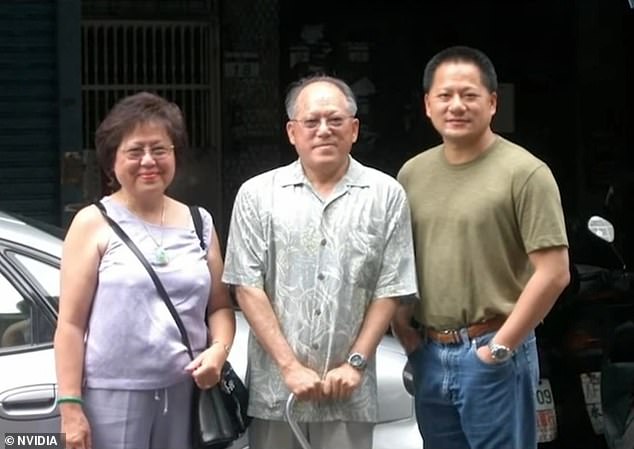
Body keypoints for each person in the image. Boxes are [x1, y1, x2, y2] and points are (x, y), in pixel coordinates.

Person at [222, 75, 418, 449]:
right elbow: (246, 287)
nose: (323, 130)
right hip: (277, 395)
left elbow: (391, 287)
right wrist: (289, 367)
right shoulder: (258, 195)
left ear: (355, 129)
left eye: (335, 120)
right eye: (311, 122)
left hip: (349, 393)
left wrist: (356, 363)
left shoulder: (385, 194)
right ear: (292, 132)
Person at [392, 45, 571, 449]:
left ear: (492, 103)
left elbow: (555, 272)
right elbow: (403, 258)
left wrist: (501, 347)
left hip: (493, 349)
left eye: (469, 95)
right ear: (427, 105)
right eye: (445, 95)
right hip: (430, 352)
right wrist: (402, 327)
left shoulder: (525, 173)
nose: (456, 105)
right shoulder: (411, 174)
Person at [53, 92, 235, 449]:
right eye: (135, 151)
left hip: (185, 393)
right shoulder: (93, 222)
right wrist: (71, 406)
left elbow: (220, 306)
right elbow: (71, 324)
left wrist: (219, 350)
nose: (148, 161)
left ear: (175, 155)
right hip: (111, 396)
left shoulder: (200, 223)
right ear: (113, 161)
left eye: (160, 150)